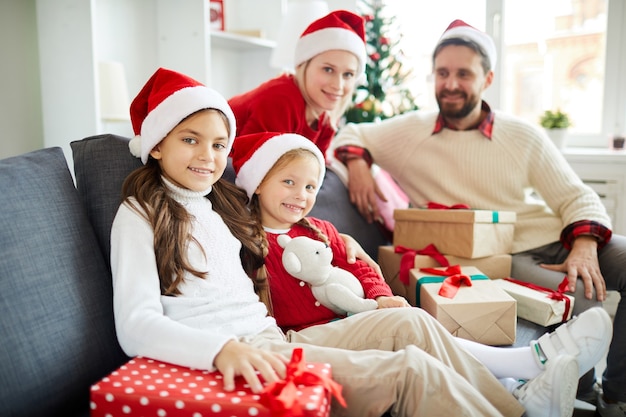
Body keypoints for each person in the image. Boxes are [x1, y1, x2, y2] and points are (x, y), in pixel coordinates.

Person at [112, 67, 585, 417]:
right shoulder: (140, 214)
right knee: (410, 371)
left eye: (218, 145)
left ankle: (518, 404)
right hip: (242, 353)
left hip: (277, 337)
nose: (208, 156)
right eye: (190, 140)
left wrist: (347, 247)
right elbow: (134, 325)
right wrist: (219, 352)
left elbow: (285, 224)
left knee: (412, 325)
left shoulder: (220, 205)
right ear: (156, 144)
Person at [331, 18, 626, 415]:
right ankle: (587, 397)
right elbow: (351, 134)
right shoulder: (410, 132)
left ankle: (618, 392)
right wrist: (361, 167)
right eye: (443, 73)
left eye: (463, 73)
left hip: (556, 235)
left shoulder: (521, 135)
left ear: (487, 79)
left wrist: (586, 245)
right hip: (504, 257)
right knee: (581, 296)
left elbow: (576, 196)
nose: (451, 84)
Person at [228, 9, 408, 234]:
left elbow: (313, 174)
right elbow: (254, 173)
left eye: (348, 75)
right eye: (328, 69)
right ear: (303, 65)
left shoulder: (324, 118)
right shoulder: (282, 98)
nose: (338, 85)